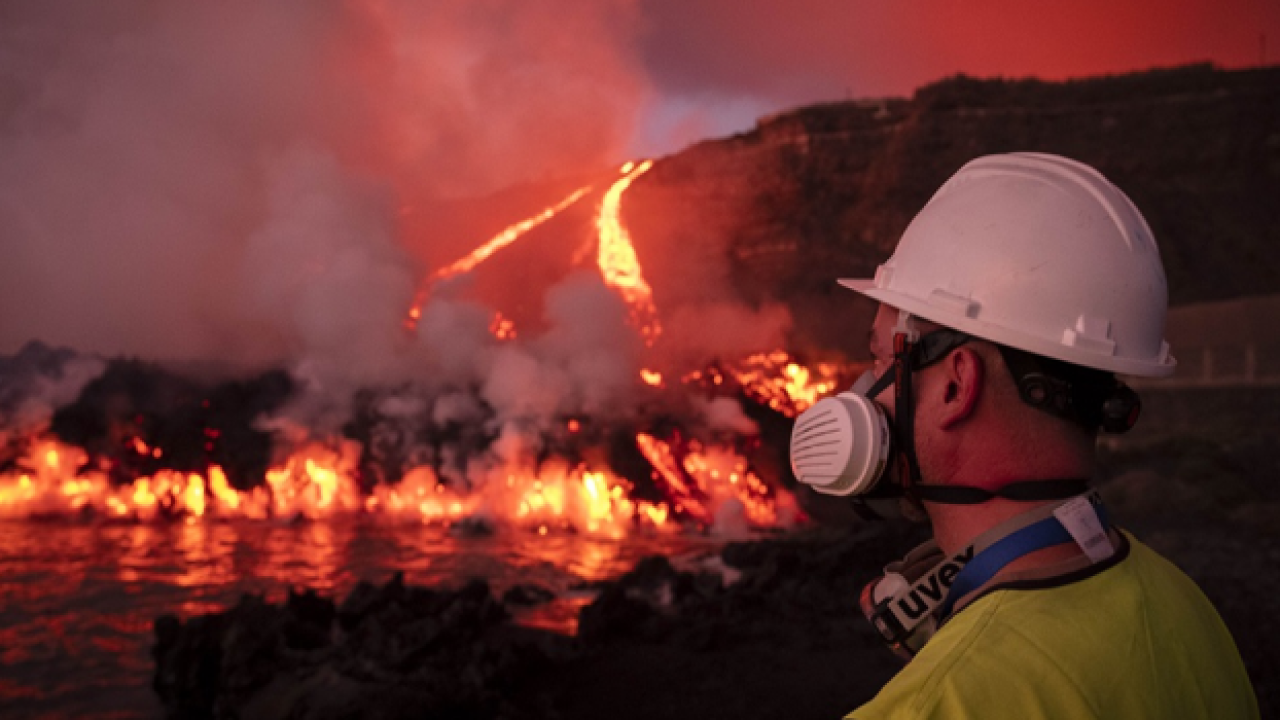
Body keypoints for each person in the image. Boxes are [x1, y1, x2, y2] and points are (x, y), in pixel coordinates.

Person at [789, 153, 1258, 719]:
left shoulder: (936, 705)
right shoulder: (1184, 607)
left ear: (956, 386)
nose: (867, 390)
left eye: (882, 360)